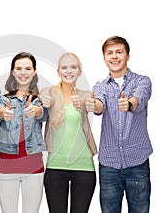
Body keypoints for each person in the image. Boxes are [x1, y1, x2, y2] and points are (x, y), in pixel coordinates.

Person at [86, 36, 153, 213]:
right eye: (109, 53)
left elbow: (140, 96)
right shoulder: (100, 86)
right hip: (109, 165)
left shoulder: (142, 81)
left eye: (119, 52)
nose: (114, 57)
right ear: (104, 58)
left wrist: (129, 104)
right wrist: (94, 105)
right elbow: (99, 104)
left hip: (137, 162)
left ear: (127, 56)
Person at [39, 52, 97, 213]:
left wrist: (89, 103)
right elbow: (41, 99)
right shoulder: (49, 92)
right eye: (64, 67)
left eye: (73, 67)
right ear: (58, 72)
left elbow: (95, 104)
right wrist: (43, 101)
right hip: (55, 166)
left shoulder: (86, 96)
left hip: (84, 167)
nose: (69, 71)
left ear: (79, 71)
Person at [0, 52, 46, 213]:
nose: (23, 72)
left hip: (34, 167)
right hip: (6, 166)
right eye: (19, 68)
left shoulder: (40, 99)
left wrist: (36, 110)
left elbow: (43, 113)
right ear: (13, 72)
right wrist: (3, 113)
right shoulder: (4, 99)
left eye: (28, 68)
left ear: (34, 72)